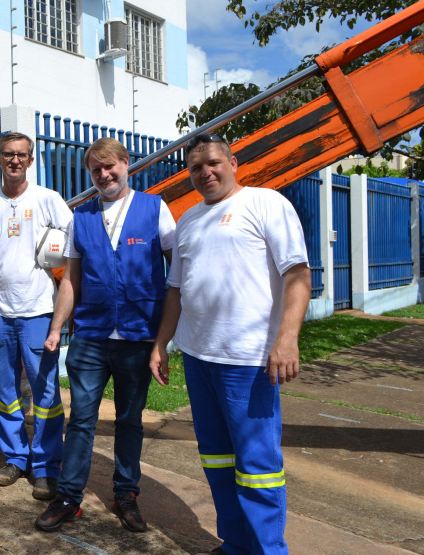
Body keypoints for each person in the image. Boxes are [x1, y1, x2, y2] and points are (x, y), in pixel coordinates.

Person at [149, 133, 310, 555]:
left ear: (234, 162)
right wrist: (161, 344)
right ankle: (236, 544)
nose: (206, 172)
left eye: (214, 163)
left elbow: (297, 275)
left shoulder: (265, 203)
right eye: (196, 167)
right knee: (218, 460)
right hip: (200, 358)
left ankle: (268, 549)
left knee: (258, 467)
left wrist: (287, 339)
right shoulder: (187, 220)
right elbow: (176, 291)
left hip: (249, 361)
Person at [35, 138, 176, 533]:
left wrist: (165, 339)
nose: (104, 175)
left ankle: (126, 494)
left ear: (126, 164)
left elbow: (178, 274)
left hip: (137, 337)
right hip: (92, 337)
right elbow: (71, 281)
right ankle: (68, 497)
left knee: (130, 420)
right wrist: (56, 328)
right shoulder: (80, 218)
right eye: (96, 170)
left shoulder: (155, 209)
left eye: (110, 166)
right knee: (81, 418)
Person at [0, 131, 72, 501]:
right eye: (8, 154)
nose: (15, 161)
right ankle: (15, 458)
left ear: (30, 159)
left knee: (45, 394)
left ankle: (45, 466)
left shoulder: (48, 200)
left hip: (39, 312)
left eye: (21, 155)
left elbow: (76, 248)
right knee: (6, 393)